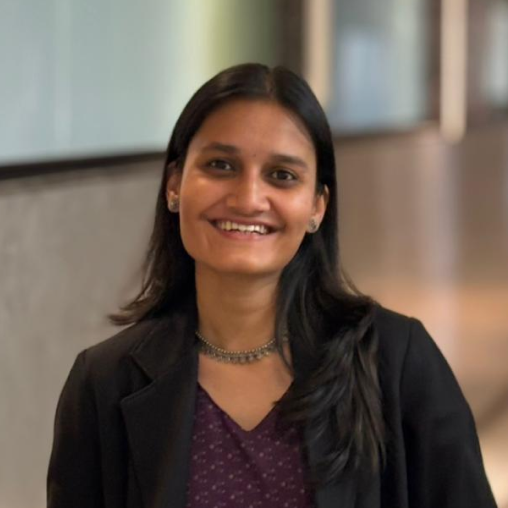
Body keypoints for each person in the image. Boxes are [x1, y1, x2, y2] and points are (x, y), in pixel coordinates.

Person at [47, 63, 497, 508]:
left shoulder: (397, 362)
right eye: (220, 165)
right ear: (174, 185)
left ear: (317, 206)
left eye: (282, 175)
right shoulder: (104, 383)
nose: (248, 199)